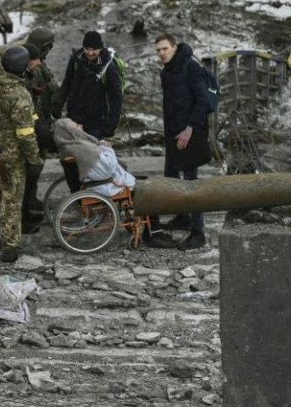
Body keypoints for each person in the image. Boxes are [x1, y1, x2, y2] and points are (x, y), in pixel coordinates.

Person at [53, 119, 179, 248]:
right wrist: (107, 148)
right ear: (70, 131)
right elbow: (108, 168)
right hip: (106, 185)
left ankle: (153, 230)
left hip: (98, 183)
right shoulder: (82, 148)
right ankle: (154, 235)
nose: (80, 125)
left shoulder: (70, 146)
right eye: (76, 126)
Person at [0, 45, 45, 263]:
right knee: (12, 200)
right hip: (11, 157)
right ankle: (10, 247)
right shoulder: (17, 94)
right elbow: (26, 134)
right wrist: (35, 159)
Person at [155, 33, 210, 250]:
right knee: (170, 176)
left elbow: (203, 100)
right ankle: (182, 216)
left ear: (174, 48)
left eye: (165, 49)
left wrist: (189, 129)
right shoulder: (166, 71)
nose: (161, 53)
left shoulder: (191, 66)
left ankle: (199, 233)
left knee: (191, 184)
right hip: (172, 135)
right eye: (158, 50)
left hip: (189, 133)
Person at [51, 30, 122, 140]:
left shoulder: (109, 68)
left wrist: (110, 125)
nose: (90, 53)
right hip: (73, 117)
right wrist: (59, 103)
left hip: (96, 122)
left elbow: (116, 99)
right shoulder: (75, 61)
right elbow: (67, 83)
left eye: (94, 50)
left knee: (90, 153)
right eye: (87, 49)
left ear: (101, 48)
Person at [22, 28, 59, 228]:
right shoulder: (28, 66)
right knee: (30, 168)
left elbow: (49, 89)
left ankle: (32, 198)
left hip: (43, 121)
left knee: (38, 164)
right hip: (33, 126)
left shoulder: (39, 64)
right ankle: (24, 209)